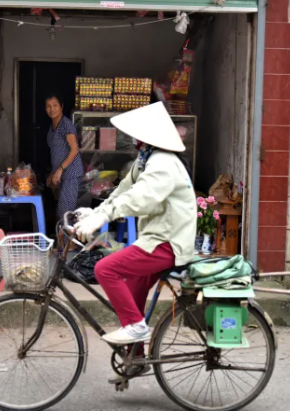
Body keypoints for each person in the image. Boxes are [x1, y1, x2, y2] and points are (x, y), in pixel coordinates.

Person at [73, 102, 196, 345]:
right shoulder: (145, 160)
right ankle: (134, 357)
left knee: (105, 269)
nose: (132, 139)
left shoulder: (164, 163)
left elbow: (141, 198)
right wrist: (98, 212)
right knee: (132, 298)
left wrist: (104, 217)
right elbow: (124, 191)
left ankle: (136, 328)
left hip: (167, 243)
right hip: (155, 239)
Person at [45, 93, 84, 222]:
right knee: (62, 211)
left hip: (71, 174)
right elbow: (56, 152)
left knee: (65, 213)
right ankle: (64, 241)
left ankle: (68, 242)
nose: (52, 109)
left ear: (61, 106)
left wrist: (60, 170)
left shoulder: (66, 125)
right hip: (61, 174)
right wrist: (53, 173)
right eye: (48, 106)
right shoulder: (52, 126)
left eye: (55, 105)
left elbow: (74, 150)